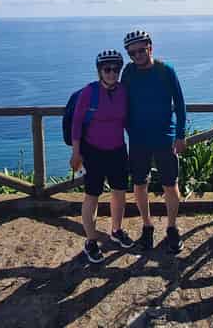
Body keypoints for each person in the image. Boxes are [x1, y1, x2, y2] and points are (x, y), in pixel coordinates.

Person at [120, 29, 187, 254]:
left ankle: (172, 227)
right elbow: (122, 102)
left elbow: (180, 104)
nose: (137, 56)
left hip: (165, 138)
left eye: (141, 50)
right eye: (132, 53)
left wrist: (180, 135)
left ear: (150, 46)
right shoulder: (128, 72)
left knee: (170, 184)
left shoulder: (166, 71)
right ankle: (147, 226)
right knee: (139, 183)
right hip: (138, 139)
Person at [70, 49, 135, 263]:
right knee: (92, 196)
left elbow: (129, 119)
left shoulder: (124, 91)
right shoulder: (89, 92)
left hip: (117, 150)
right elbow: (77, 123)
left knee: (119, 192)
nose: (111, 73)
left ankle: (116, 230)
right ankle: (90, 240)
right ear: (99, 71)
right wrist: (76, 153)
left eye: (116, 69)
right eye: (107, 69)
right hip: (93, 151)